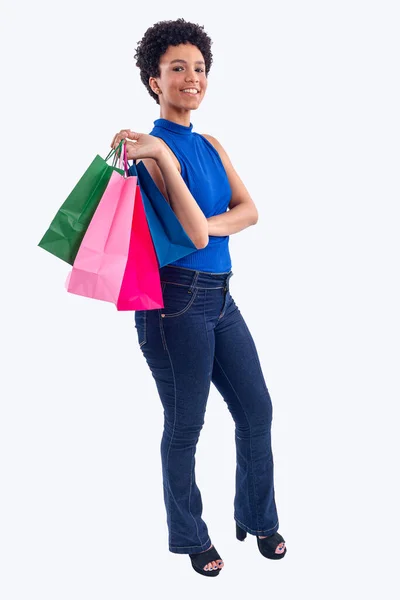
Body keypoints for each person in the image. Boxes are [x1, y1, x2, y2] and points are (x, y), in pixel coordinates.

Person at [110, 18, 287, 577]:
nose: (192, 78)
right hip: (174, 303)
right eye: (176, 69)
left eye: (199, 68)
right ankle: (190, 536)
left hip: (219, 296)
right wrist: (162, 159)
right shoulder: (149, 149)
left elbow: (251, 211)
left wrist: (212, 224)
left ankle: (256, 517)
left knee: (256, 411)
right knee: (186, 426)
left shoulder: (209, 143)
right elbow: (192, 236)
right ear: (153, 81)